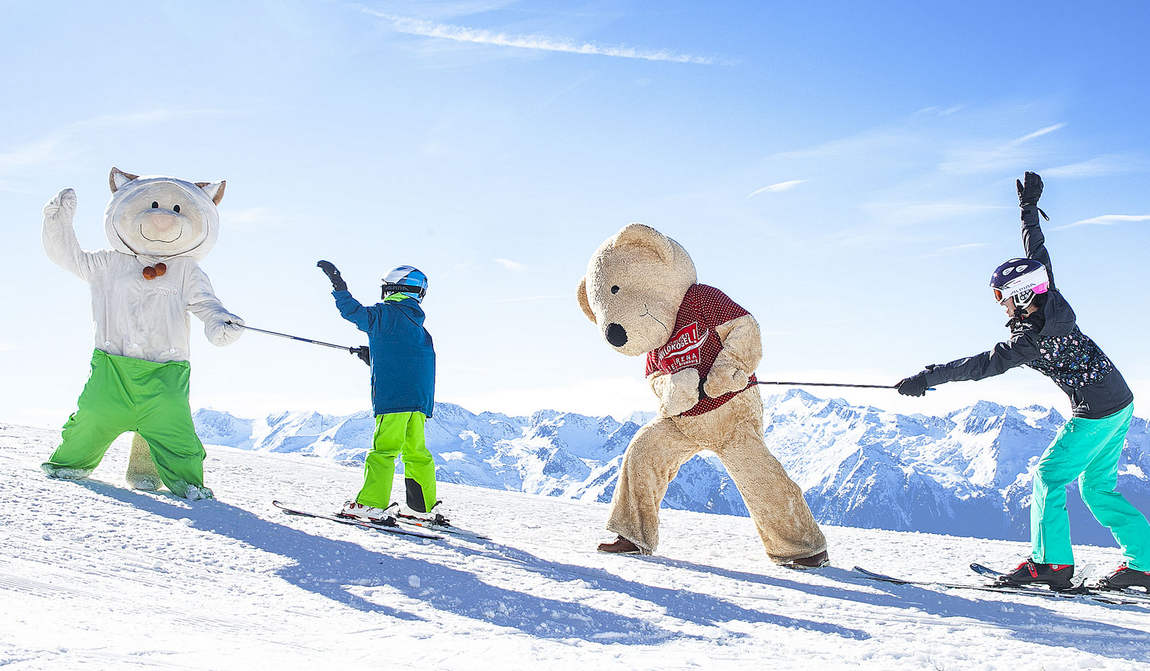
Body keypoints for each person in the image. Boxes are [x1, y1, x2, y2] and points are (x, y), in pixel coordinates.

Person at [896, 172, 1150, 591]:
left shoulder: (1032, 340)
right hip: (1119, 401)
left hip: (1097, 411)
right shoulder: (1054, 299)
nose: (1000, 304)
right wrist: (1027, 208)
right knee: (1097, 487)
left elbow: (981, 364)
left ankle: (1050, 563)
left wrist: (928, 377)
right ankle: (1144, 562)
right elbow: (1036, 248)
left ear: (1024, 295)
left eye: (1003, 296)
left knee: (1048, 478)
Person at [316, 260, 444, 526]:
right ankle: (421, 508)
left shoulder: (386, 314)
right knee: (415, 451)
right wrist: (374, 356)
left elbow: (353, 312)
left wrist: (338, 285)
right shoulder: (418, 324)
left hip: (394, 398)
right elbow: (409, 355)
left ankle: (371, 504)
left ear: (392, 288)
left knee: (384, 450)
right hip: (419, 400)